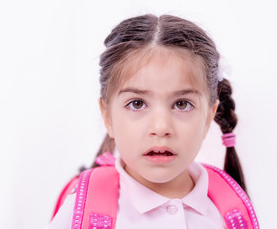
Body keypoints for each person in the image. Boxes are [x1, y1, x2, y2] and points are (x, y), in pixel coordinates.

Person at [46, 14, 259, 229]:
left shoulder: (230, 212)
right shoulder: (80, 211)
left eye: (182, 104)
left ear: (208, 117)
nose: (161, 128)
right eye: (137, 103)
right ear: (108, 116)